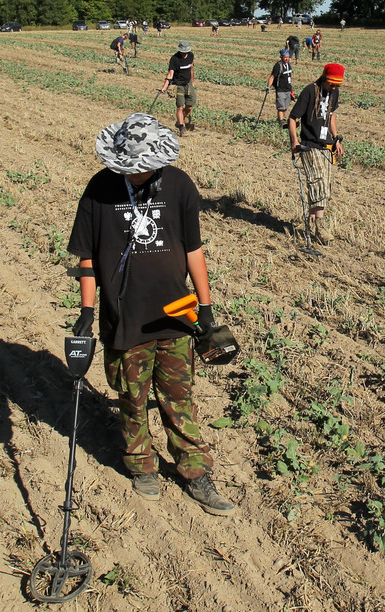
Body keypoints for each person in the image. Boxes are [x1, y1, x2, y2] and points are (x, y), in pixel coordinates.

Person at [68, 113, 236, 517]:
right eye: (133, 167)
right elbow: (87, 258)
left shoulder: (179, 186)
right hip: (125, 317)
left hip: (176, 315)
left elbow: (194, 250)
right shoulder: (99, 189)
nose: (141, 172)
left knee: (180, 397)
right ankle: (141, 464)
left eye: (146, 166)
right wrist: (87, 313)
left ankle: (195, 472)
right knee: (132, 397)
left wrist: (206, 306)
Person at [287, 63, 344, 245]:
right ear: (324, 78)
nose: (334, 87)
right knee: (317, 184)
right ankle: (320, 227)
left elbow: (332, 115)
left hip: (326, 146)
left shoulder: (334, 93)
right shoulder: (310, 91)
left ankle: (311, 222)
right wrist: (294, 141)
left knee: (324, 188)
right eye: (331, 84)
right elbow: (292, 117)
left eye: (337, 85)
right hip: (309, 145)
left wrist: (336, 139)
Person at [159, 40, 197, 135]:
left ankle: (180, 121)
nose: (184, 53)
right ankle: (181, 127)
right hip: (179, 85)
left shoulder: (191, 56)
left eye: (185, 51)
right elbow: (170, 73)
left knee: (189, 107)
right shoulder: (174, 59)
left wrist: (192, 81)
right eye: (182, 51)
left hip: (188, 84)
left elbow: (191, 69)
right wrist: (164, 87)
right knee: (180, 106)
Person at [267, 49, 294, 126]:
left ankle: (282, 119)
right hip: (280, 90)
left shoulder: (289, 65)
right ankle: (281, 122)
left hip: (288, 89)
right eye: (285, 57)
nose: (287, 59)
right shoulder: (278, 66)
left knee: (285, 107)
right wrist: (268, 87)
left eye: (288, 57)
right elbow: (272, 77)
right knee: (281, 107)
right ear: (281, 57)